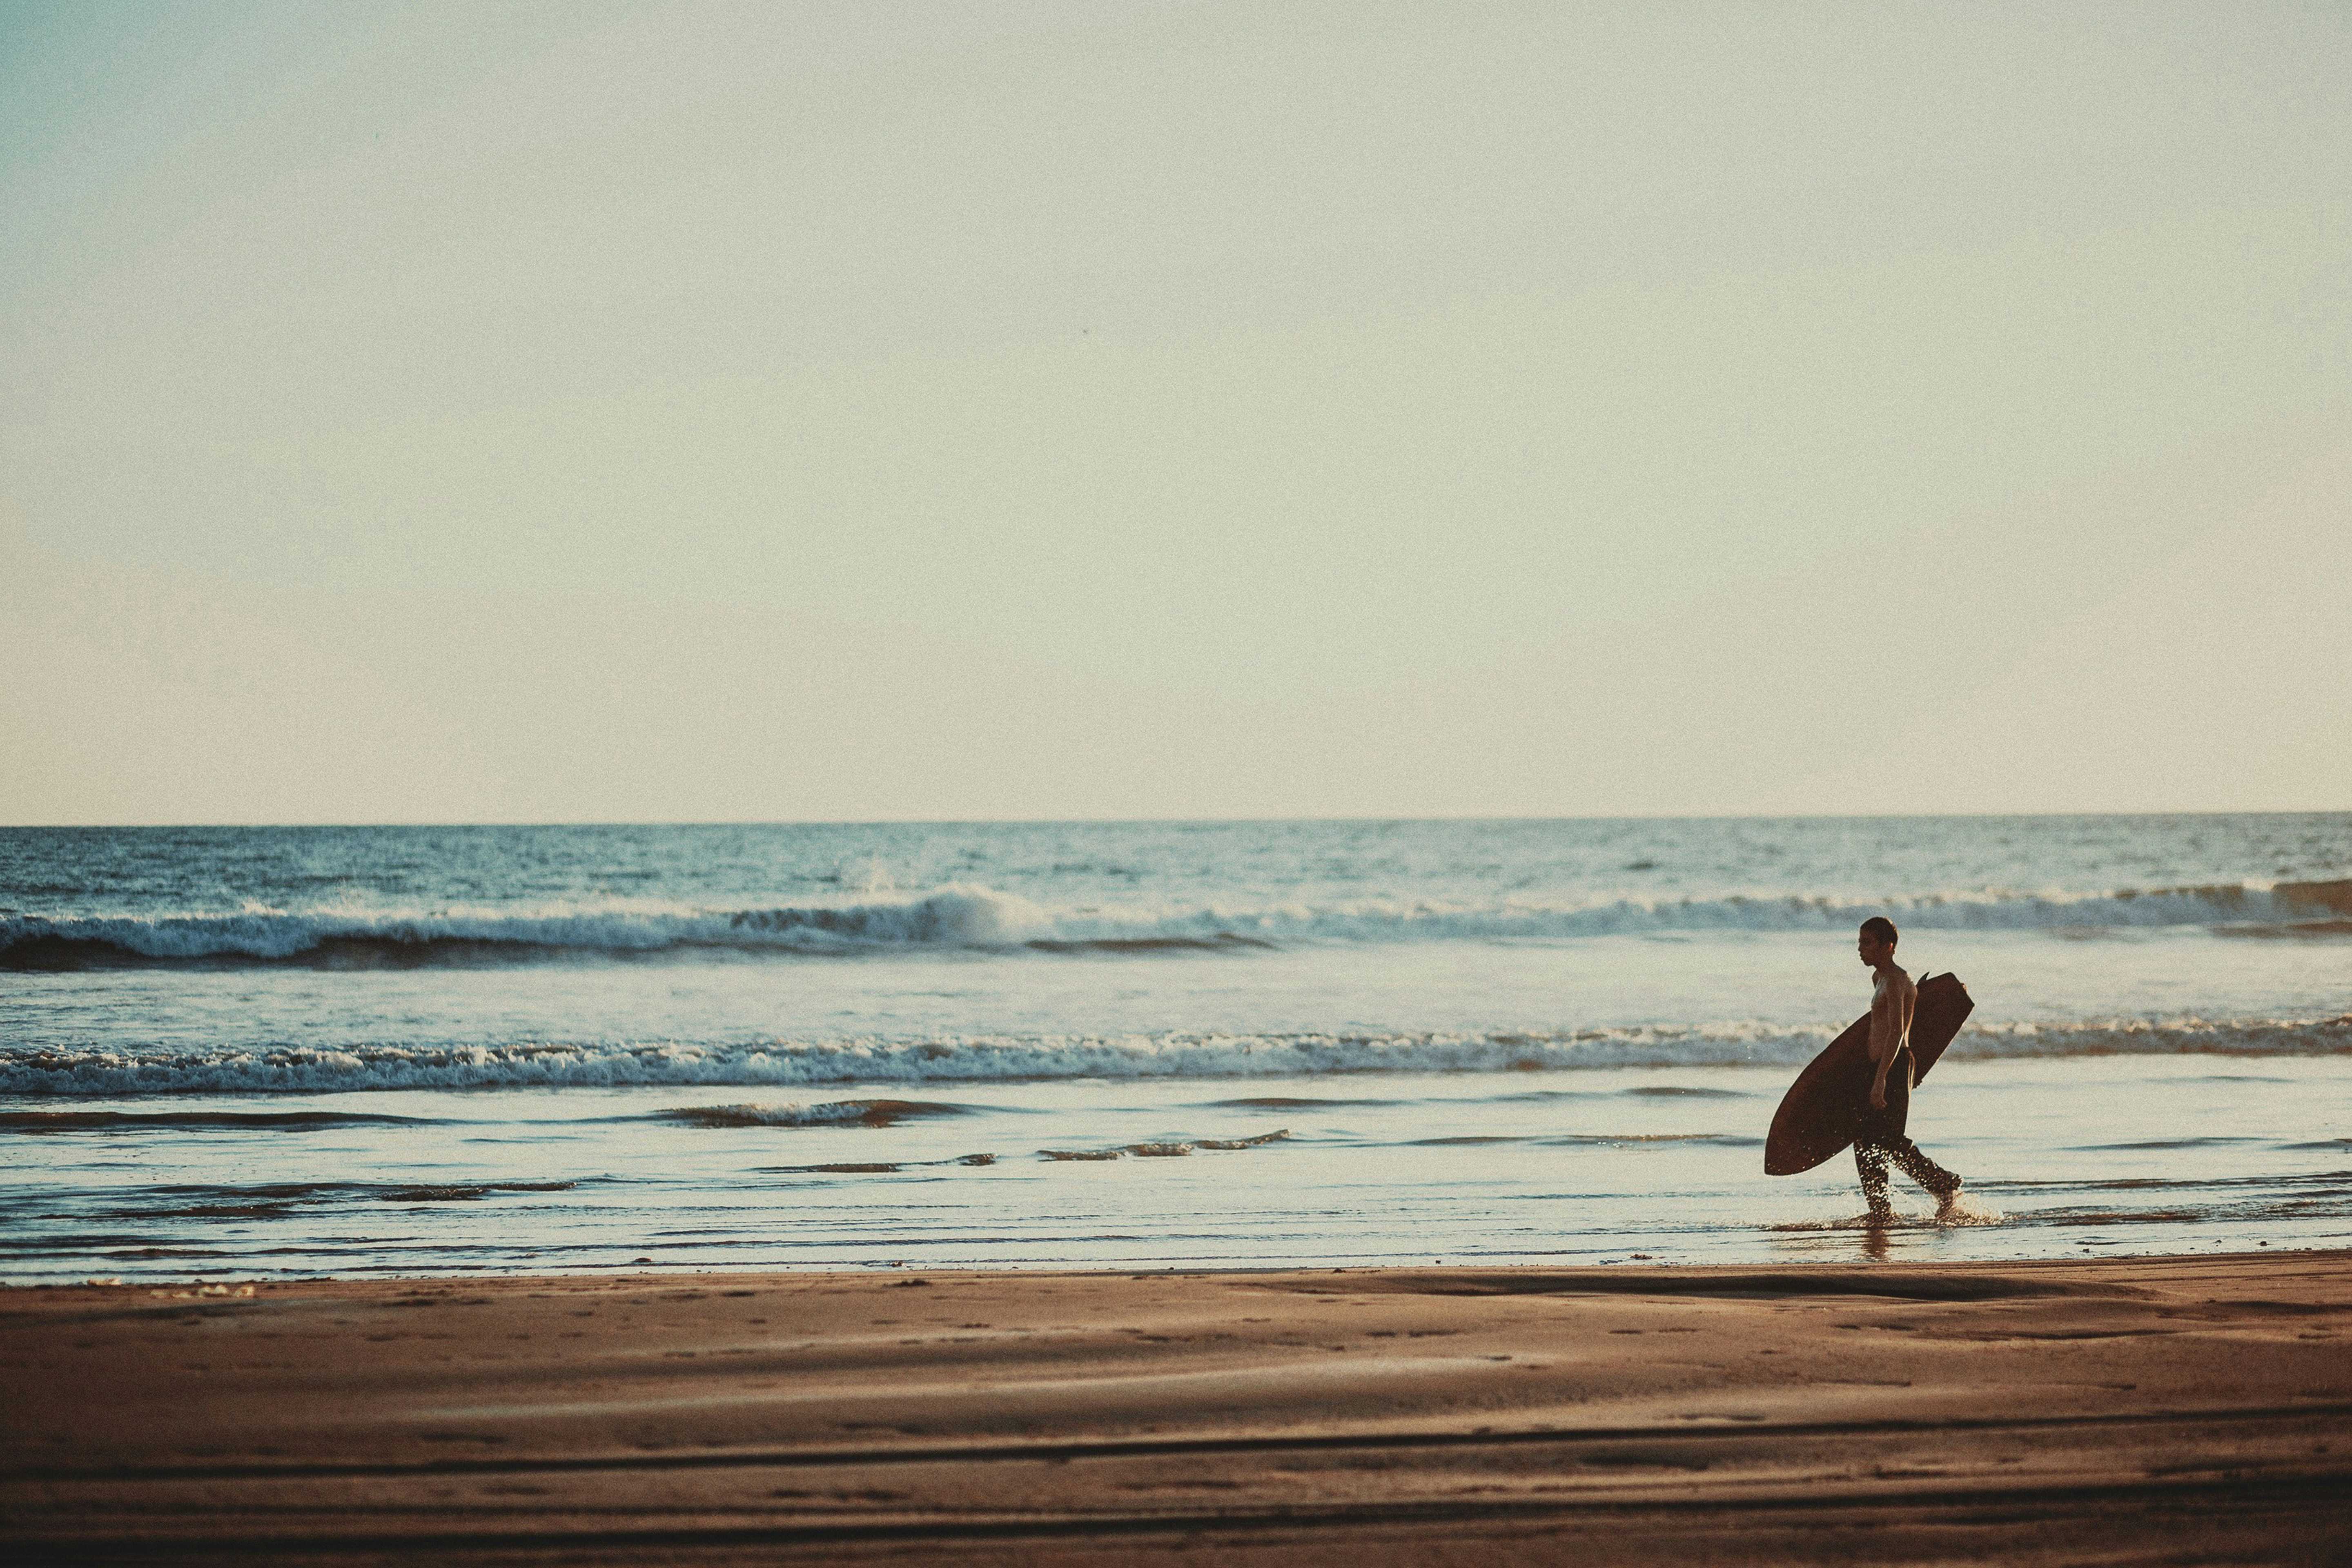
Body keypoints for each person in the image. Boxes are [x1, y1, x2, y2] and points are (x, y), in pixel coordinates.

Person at [1853, 916, 1963, 1221]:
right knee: (1865, 1142)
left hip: (1892, 1067)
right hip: (1882, 1067)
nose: (1860, 949)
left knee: (1887, 1140)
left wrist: (1882, 1081)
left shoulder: (1899, 981)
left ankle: (1943, 1184)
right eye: (1859, 942)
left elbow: (1898, 1033)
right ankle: (1880, 1209)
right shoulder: (1879, 979)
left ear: (1888, 947)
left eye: (1867, 943)